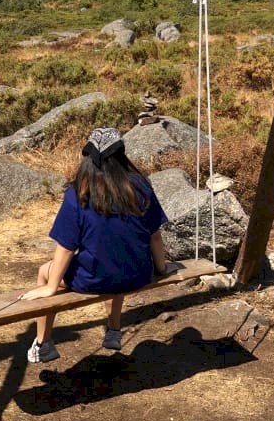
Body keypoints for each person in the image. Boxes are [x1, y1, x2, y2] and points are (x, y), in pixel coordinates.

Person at [20, 126, 175, 364]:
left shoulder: (79, 193)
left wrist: (51, 286)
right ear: (121, 156)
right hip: (138, 274)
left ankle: (43, 344)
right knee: (116, 259)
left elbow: (66, 247)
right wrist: (162, 269)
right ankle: (114, 331)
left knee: (45, 271)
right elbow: (154, 235)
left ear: (88, 159)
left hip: (96, 279)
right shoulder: (140, 186)